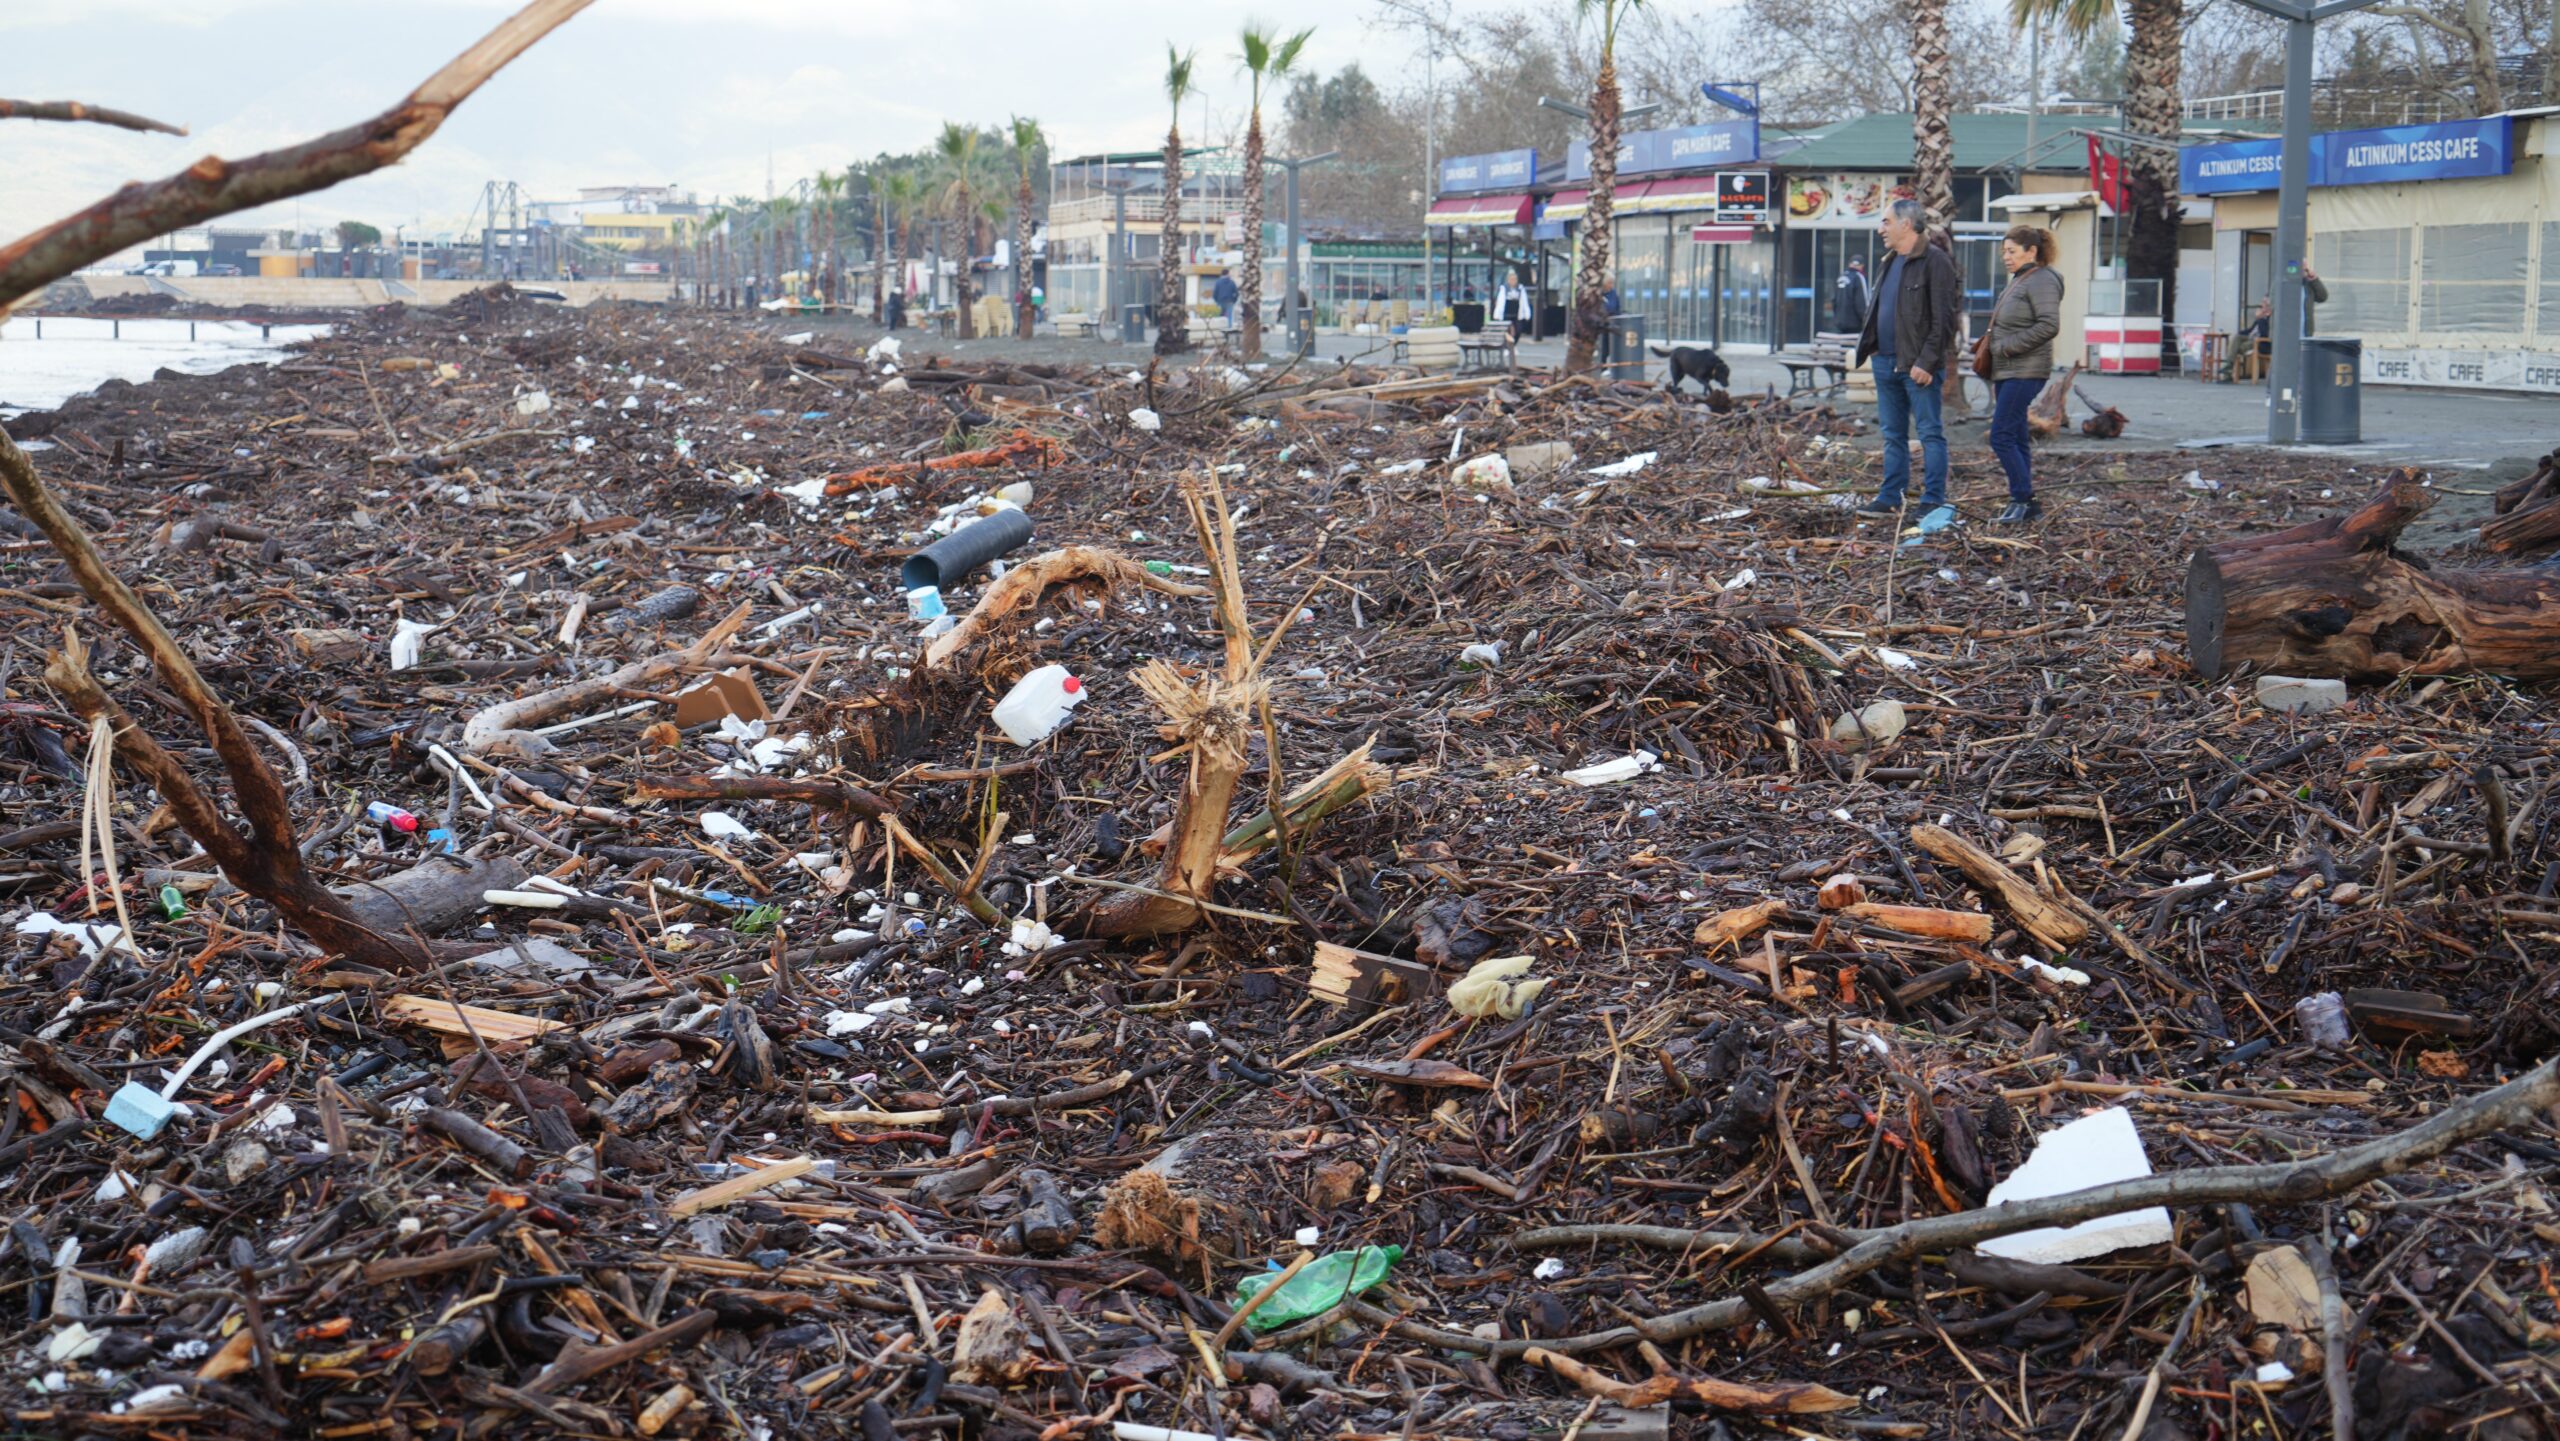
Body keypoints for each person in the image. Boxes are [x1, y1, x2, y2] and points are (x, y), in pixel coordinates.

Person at [1853, 198, 1962, 517]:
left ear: (1906, 224)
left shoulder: (1935, 261)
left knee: (1929, 432)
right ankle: (1890, 497)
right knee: (1892, 434)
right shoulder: (1890, 261)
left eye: (1885, 222)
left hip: (1917, 367)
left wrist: (1927, 362)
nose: (1880, 229)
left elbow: (1944, 318)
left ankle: (1933, 500)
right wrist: (1872, 347)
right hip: (1885, 361)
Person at [1982, 225, 2064, 525]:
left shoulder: (2042, 280)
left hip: (2025, 370)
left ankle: (2024, 499)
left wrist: (2005, 347)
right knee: (2015, 435)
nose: (2006, 257)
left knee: (2001, 435)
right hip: (2009, 369)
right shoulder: (2022, 279)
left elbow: (2048, 325)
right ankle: (2024, 502)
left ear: (2032, 251)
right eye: (2004, 251)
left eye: (2012, 251)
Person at [1831, 257, 1871, 334]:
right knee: (1855, 345)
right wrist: (1866, 319)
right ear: (1862, 266)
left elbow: (1834, 300)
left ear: (1850, 264)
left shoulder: (1841, 277)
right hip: (1855, 323)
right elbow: (1862, 301)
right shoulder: (1859, 277)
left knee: (1844, 344)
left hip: (1840, 322)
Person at [1493, 270, 1531, 341]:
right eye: (1511, 279)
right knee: (1507, 331)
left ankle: (1513, 345)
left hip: (1517, 313)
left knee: (1518, 330)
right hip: (1506, 313)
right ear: (1508, 280)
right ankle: (1508, 346)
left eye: (1515, 279)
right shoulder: (1504, 288)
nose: (1513, 281)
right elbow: (1500, 302)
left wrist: (1527, 314)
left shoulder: (1520, 288)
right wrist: (1497, 314)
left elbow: (1524, 301)